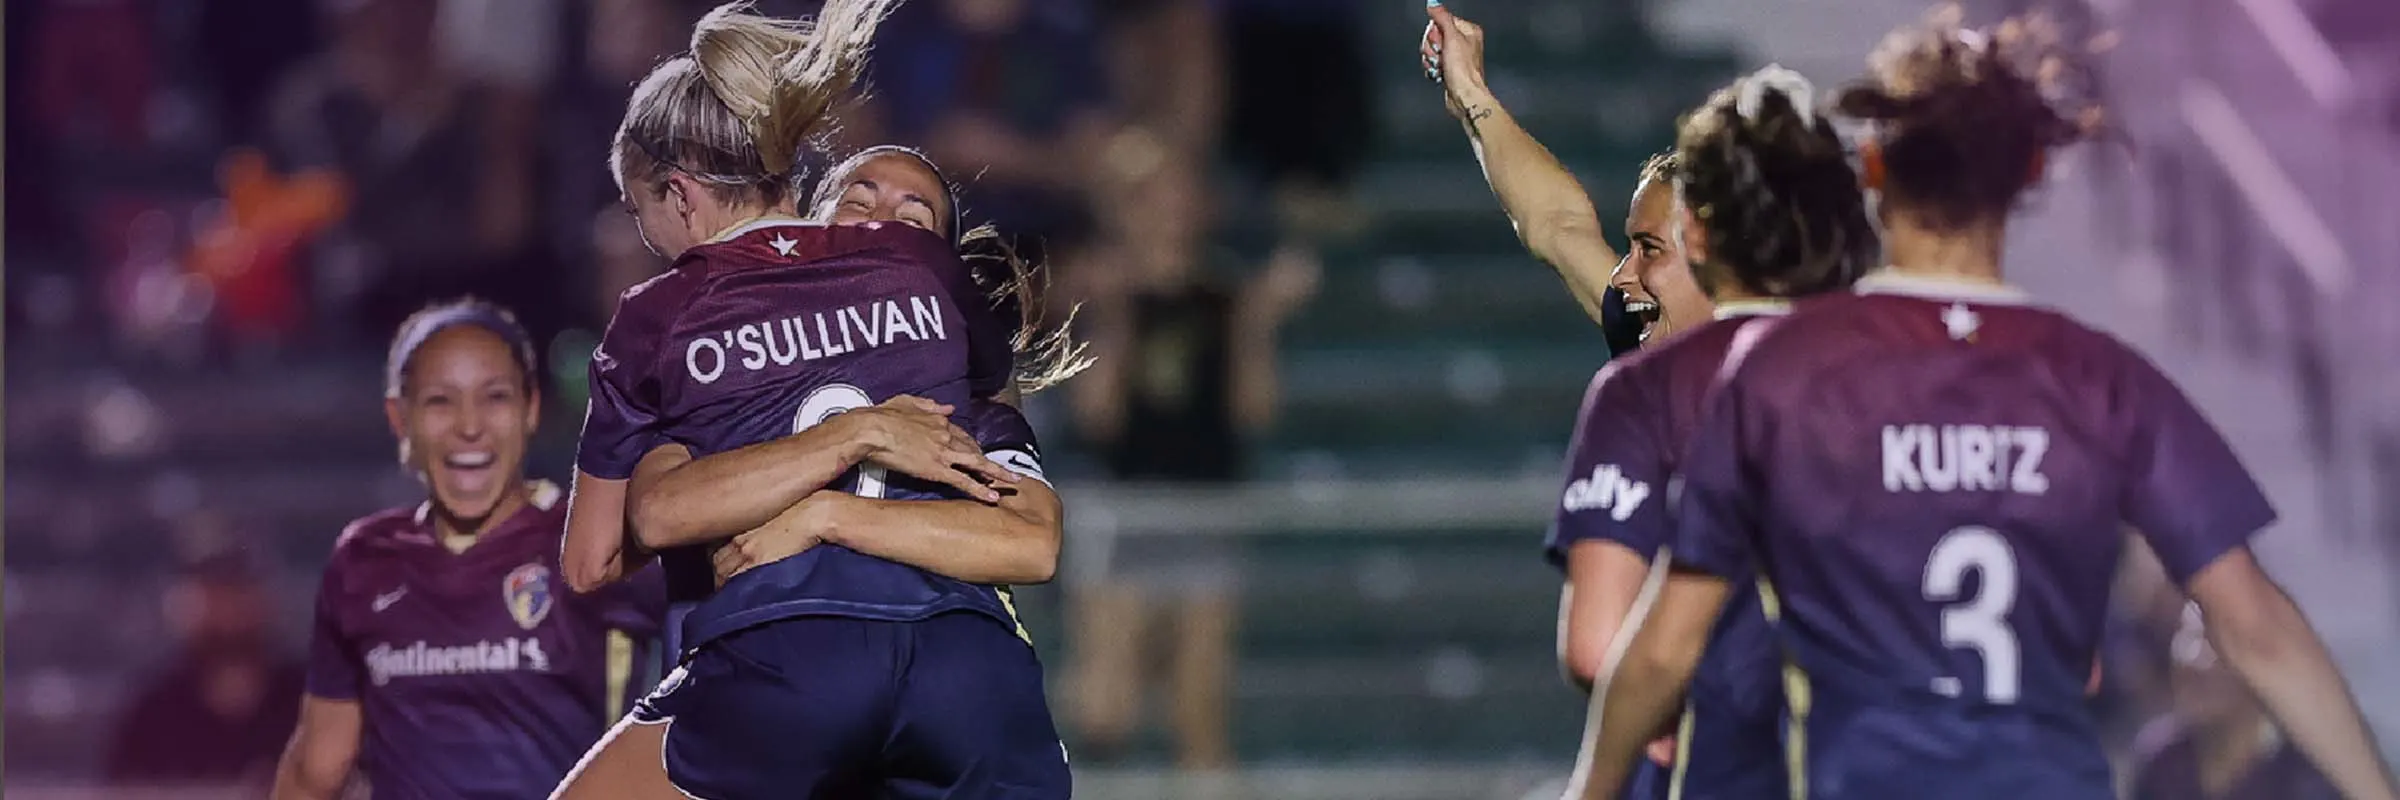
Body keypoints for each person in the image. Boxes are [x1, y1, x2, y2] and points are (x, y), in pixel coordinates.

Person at [1580, 11, 2400, 800]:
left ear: (1872, 170)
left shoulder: (1779, 374)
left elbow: (1665, 645)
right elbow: (2254, 623)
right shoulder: (2101, 379)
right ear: (2030, 174)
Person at [550, 4, 1074, 796]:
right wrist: (860, 432)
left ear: (680, 194)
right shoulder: (921, 278)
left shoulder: (661, 314)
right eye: (861, 197)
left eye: (641, 209)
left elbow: (601, 555)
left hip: (782, 658)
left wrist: (800, 504)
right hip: (964, 670)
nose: (883, 221)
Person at [1421, 5, 1737, 796]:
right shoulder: (1655, 348)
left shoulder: (1824, 389)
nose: (1624, 277)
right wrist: (1472, 97)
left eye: (1650, 251)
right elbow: (1557, 223)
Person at [1550, 64, 1879, 800]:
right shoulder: (1901, 379)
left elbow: (1598, 647)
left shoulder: (1651, 387)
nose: (1624, 274)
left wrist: (1597, 779)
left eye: (1649, 247)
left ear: (1697, 230)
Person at [272, 300, 664, 800]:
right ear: (399, 417)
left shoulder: (590, 537)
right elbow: (316, 768)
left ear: (531, 408)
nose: (469, 426)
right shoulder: (363, 560)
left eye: (494, 397)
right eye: (440, 401)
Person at [2128, 604, 2343, 800]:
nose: (2192, 658)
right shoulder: (2162, 764)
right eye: (2187, 635)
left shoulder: (2306, 778)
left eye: (2213, 642)